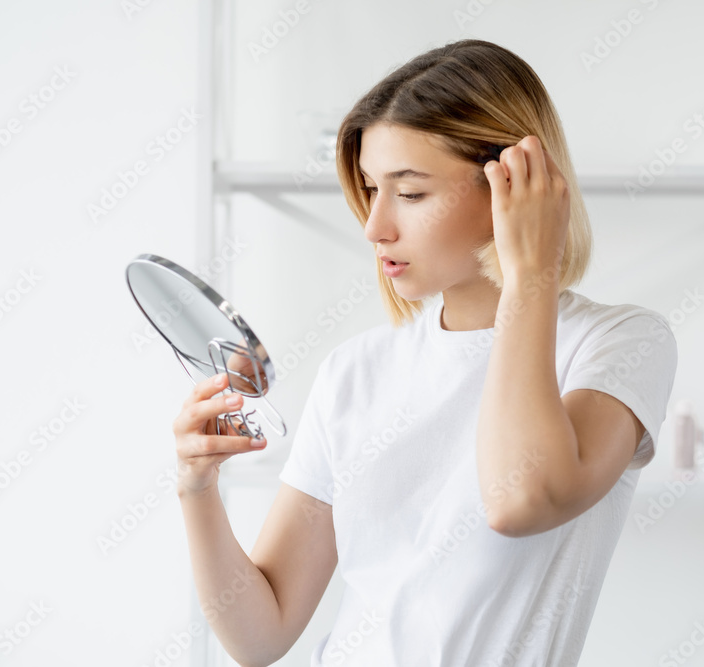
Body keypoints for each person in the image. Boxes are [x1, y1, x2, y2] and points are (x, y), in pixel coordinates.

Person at [173, 38, 678, 666]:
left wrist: (530, 273)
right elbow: (260, 636)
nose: (374, 225)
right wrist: (198, 488)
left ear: (515, 187)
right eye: (369, 188)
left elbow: (522, 499)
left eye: (409, 193)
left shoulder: (619, 344)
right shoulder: (354, 372)